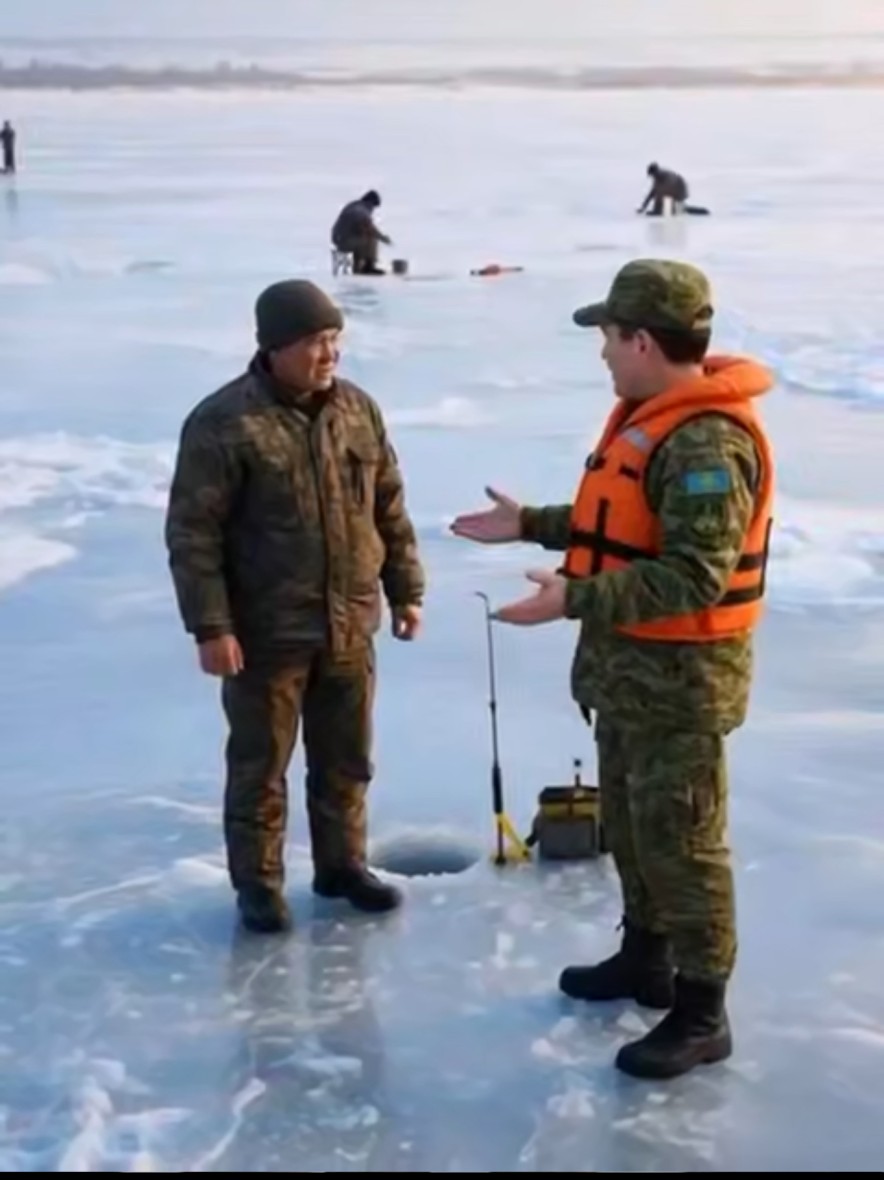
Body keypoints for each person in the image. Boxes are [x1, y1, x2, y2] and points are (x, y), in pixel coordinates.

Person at [450, 259, 775, 1081]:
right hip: (631, 678)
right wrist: (532, 523)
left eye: (606, 336)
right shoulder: (654, 420)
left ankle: (703, 1012)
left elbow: (693, 575)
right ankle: (646, 960)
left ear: (640, 338)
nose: (600, 353)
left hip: (682, 686)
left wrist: (574, 600)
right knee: (633, 829)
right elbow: (621, 527)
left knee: (686, 842)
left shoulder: (707, 441)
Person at [164, 279, 425, 934]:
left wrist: (407, 589)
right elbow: (193, 534)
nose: (329, 353)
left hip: (348, 624)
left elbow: (389, 507)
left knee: (345, 760)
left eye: (335, 339)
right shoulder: (224, 423)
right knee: (261, 768)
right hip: (265, 633)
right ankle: (259, 885)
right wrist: (212, 625)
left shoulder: (358, 410)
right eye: (314, 341)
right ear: (275, 347)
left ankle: (342, 867)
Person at [331, 190, 391, 275]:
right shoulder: (361, 210)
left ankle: (358, 268)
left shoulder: (355, 205)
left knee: (364, 237)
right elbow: (369, 227)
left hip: (339, 238)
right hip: (343, 240)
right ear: (370, 202)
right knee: (371, 239)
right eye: (374, 206)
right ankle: (368, 267)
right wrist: (383, 238)